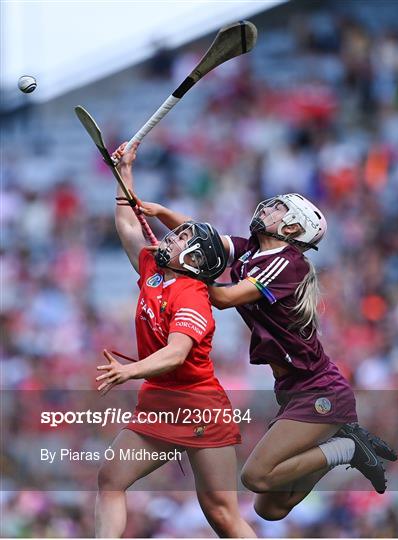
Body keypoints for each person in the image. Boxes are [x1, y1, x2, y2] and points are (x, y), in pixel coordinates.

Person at [139, 192, 397, 521]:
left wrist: (183, 269)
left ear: (292, 228)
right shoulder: (252, 250)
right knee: (270, 508)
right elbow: (205, 238)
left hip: (319, 390)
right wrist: (159, 211)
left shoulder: (287, 261)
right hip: (291, 390)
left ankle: (346, 448)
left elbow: (223, 297)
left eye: (279, 209)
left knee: (254, 477)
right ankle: (341, 443)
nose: (268, 208)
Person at [95, 141, 256, 538]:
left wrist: (128, 371)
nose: (170, 235)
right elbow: (130, 226)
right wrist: (125, 174)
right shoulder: (153, 267)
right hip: (160, 402)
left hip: (200, 405)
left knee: (221, 515)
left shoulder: (192, 296)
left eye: (181, 236)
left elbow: (176, 353)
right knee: (110, 478)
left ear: (196, 260)